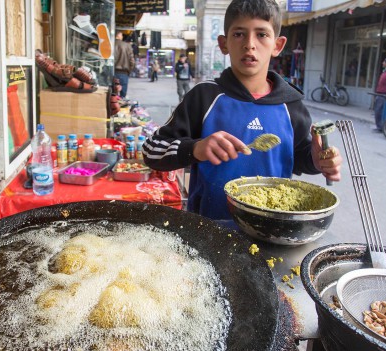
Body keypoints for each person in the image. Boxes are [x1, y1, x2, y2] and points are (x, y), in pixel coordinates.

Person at [143, 0, 342, 221]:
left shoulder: (292, 105)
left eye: (262, 35)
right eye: (239, 34)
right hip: (209, 228)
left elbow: (295, 157)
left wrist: (316, 160)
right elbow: (151, 151)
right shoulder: (204, 97)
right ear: (224, 43)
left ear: (277, 45)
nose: (250, 44)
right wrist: (197, 148)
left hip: (273, 232)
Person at [114, 31, 135, 98]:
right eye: (121, 35)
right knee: (122, 97)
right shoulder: (127, 45)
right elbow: (132, 61)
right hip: (123, 73)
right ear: (119, 35)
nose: (122, 36)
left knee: (112, 95)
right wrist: (129, 71)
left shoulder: (110, 44)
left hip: (112, 72)